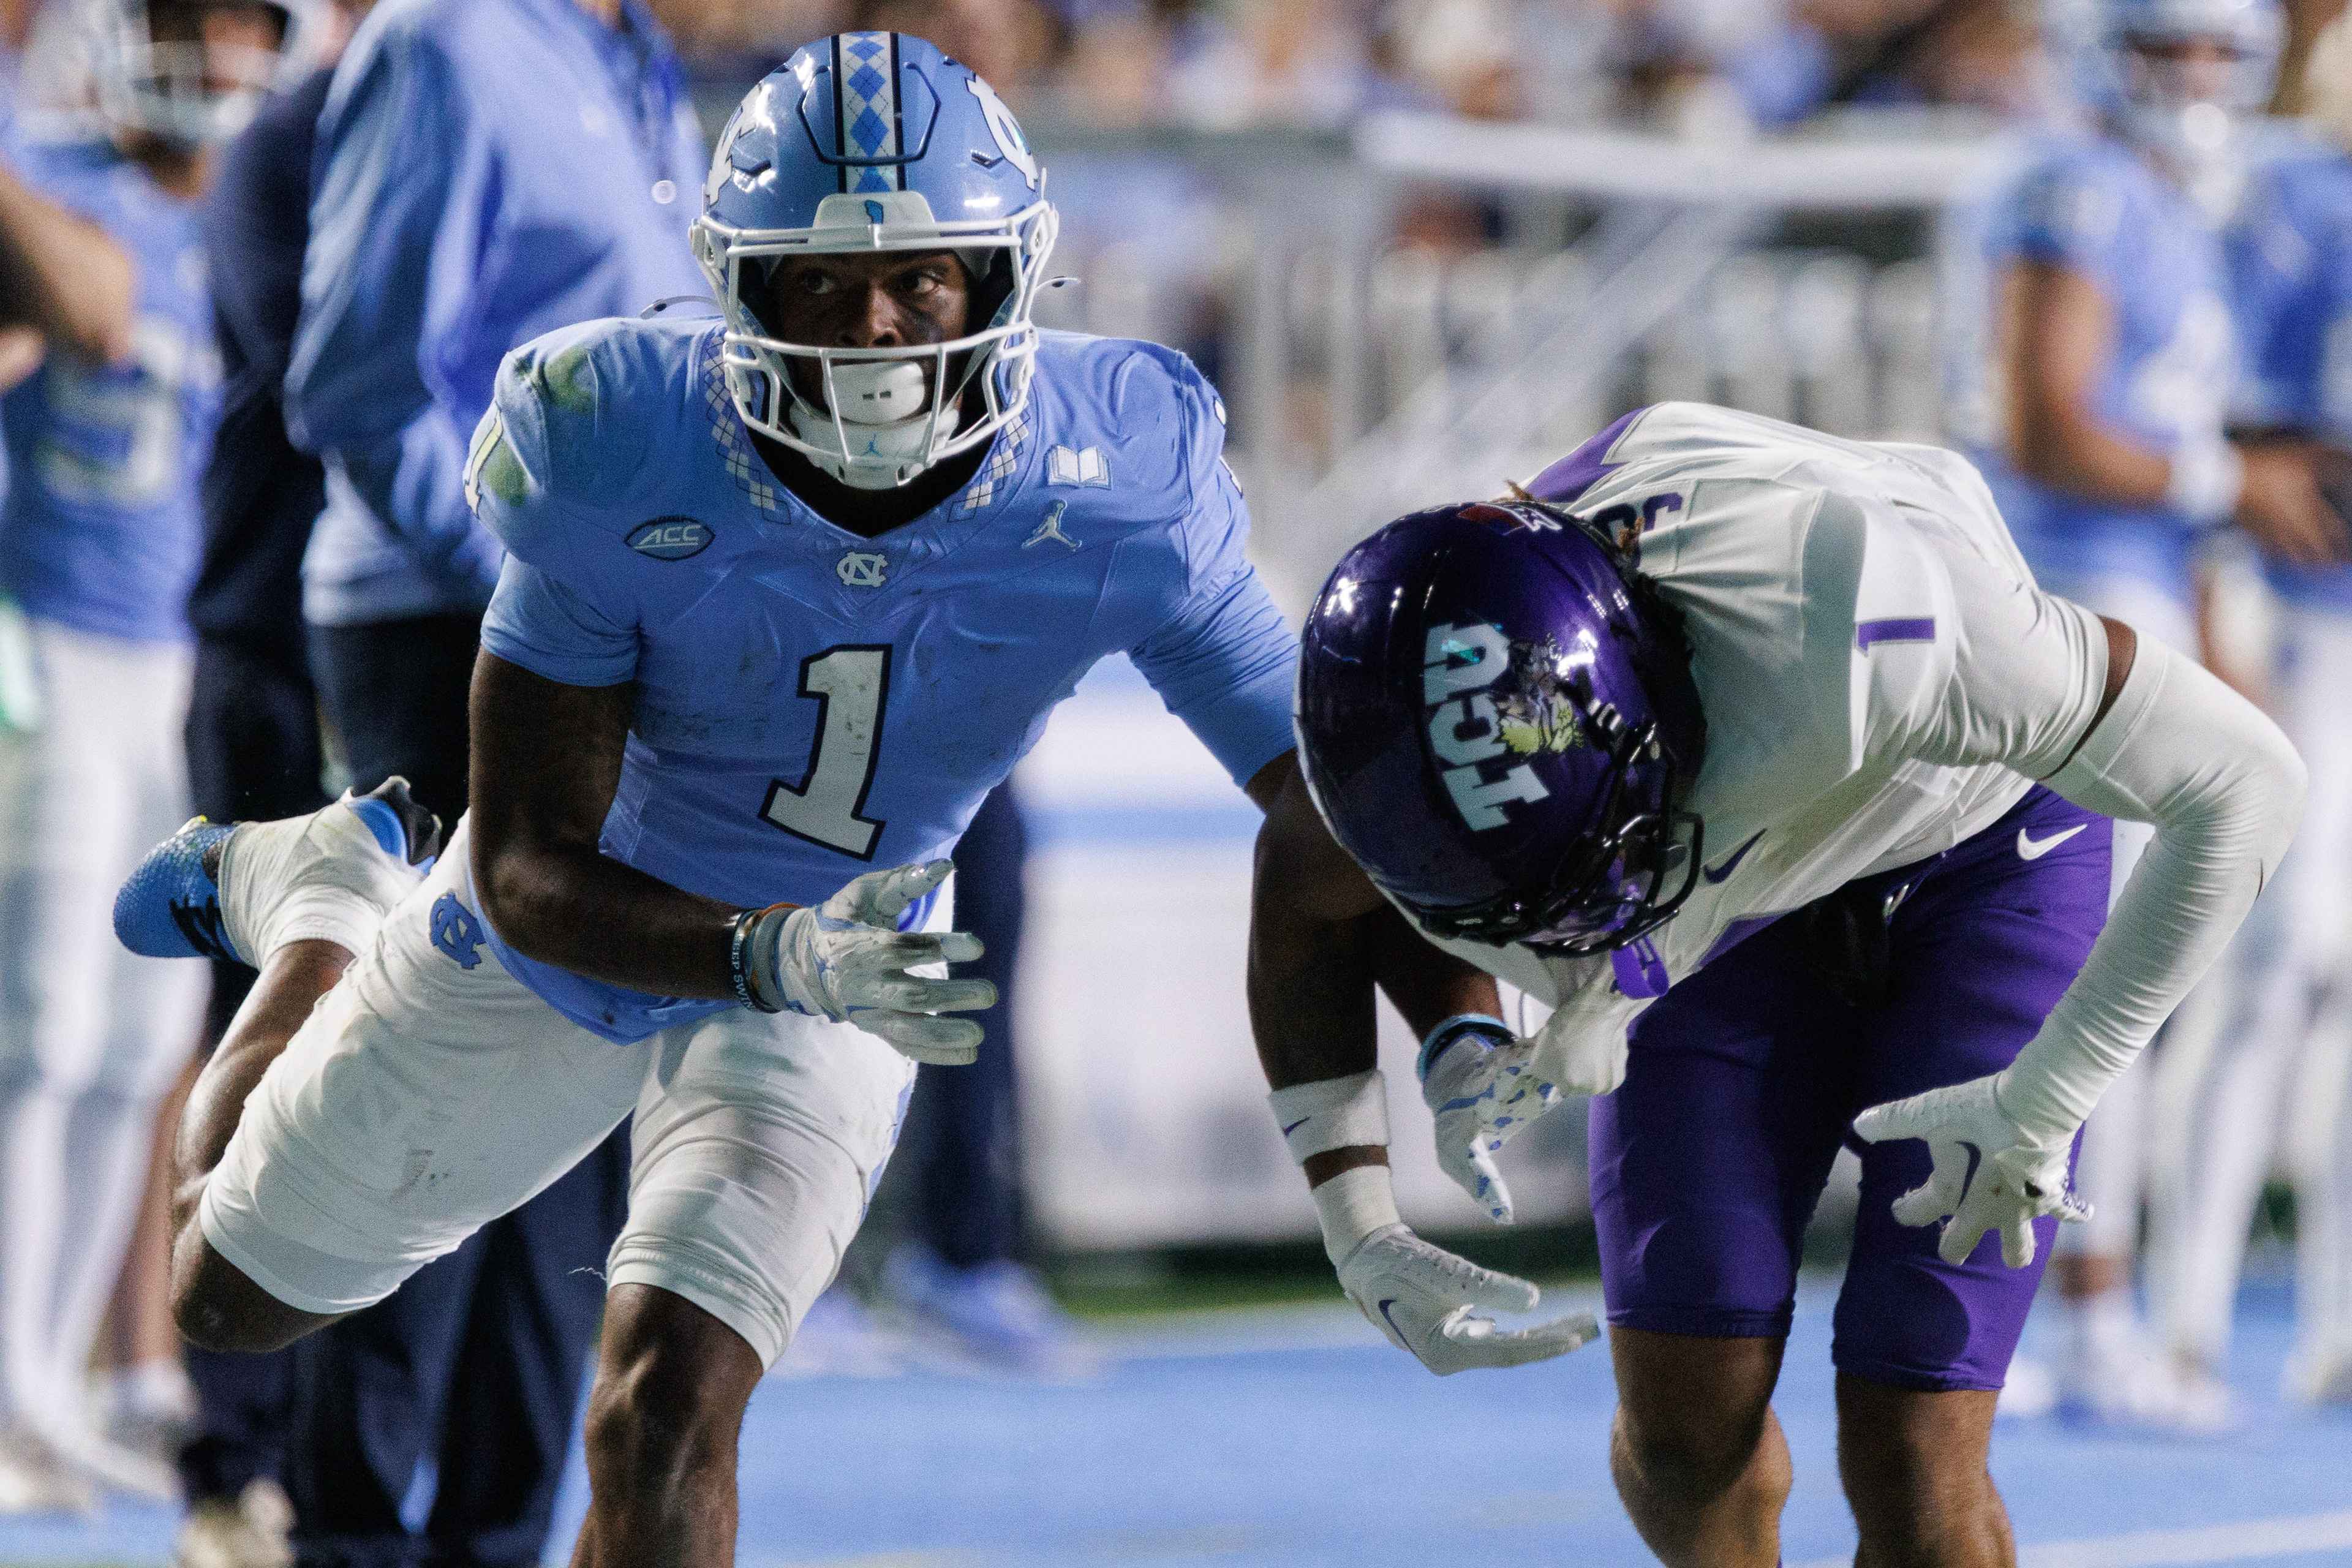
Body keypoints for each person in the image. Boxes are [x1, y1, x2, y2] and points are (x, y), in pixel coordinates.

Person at [113, 33, 1501, 1561]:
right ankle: (320, 899)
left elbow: (1329, 812)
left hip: (860, 950)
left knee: (661, 1408)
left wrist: (1453, 1028)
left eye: (921, 278)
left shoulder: (1121, 475)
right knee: (225, 1290)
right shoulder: (615, 435)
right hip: (606, 911)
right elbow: (521, 866)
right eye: (822, 286)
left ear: (1005, 273)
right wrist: (769, 948)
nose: (875, 331)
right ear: (738, 288)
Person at [1257, 402, 2301, 1567]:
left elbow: (2248, 784)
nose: (1550, 937)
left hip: (1980, 854)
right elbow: (1305, 894)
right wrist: (1361, 1213)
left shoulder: (1902, 620)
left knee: (1917, 1449)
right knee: (1684, 1427)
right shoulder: (1412, 718)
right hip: (1709, 890)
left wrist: (2050, 1096)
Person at [1940, 0, 2339, 1428]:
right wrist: (2227, 489)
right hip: (2066, 596)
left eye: (2212, 52)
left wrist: (2223, 617)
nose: (2191, 82)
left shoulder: (2171, 201)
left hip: (2140, 604)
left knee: (2096, 978)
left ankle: (2074, 1301)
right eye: (2163, 48)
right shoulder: (2077, 187)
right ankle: (2091, 1314)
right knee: (2085, 977)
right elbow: (2050, 423)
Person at [0, 0, 311, 1510]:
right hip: (48, 644)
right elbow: (94, 308)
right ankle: (8, 1386)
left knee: (132, 1048)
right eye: (189, 21)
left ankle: (46, 1383)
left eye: (241, 27)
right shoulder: (49, 168)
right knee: (40, 1032)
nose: (216, 57)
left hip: (175, 660)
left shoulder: (267, 205)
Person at [2165, 12, 2352, 1402]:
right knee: (2273, 948)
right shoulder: (2286, 193)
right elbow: (2215, 406)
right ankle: (2191, 1308)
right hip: (2306, 602)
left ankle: (2336, 1323)